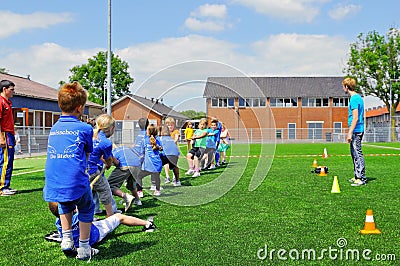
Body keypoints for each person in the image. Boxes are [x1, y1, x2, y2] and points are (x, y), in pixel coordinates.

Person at [43, 81, 96, 260]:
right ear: (80, 108)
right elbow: (88, 153)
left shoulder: (54, 128)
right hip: (77, 181)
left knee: (65, 202)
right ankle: (83, 248)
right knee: (87, 207)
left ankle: (66, 239)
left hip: (54, 182)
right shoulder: (85, 128)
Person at [48, 202, 156, 256]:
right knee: (119, 217)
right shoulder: (79, 215)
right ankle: (147, 224)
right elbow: (87, 210)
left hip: (75, 241)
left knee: (92, 222)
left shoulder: (58, 222)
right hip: (95, 235)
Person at [87, 114, 119, 217]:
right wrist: (109, 164)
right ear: (111, 128)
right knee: (105, 190)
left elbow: (95, 153)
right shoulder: (106, 142)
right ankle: (110, 215)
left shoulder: (89, 134)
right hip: (92, 171)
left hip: (80, 169)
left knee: (83, 193)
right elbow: (108, 159)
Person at [342, 77, 366, 187]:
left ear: (347, 87)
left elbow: (355, 117)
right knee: (354, 153)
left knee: (357, 153)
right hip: (356, 130)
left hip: (356, 130)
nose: (343, 88)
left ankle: (361, 178)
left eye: (343, 86)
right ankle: (357, 175)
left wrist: (349, 132)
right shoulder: (357, 97)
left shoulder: (354, 99)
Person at [107, 144, 142, 213]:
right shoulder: (126, 148)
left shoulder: (113, 152)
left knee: (109, 185)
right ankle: (137, 200)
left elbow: (115, 162)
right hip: (137, 165)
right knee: (131, 184)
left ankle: (126, 197)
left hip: (125, 166)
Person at [0, 80, 17, 196]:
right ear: (4, 89)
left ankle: (6, 185)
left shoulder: (8, 103)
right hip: (4, 134)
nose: (13, 92)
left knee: (9, 160)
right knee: (5, 161)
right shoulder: (1, 102)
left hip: (9, 134)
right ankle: (2, 187)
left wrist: (13, 135)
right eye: (11, 89)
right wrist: (1, 138)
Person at [137, 124, 163, 196]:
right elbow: (161, 150)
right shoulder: (158, 140)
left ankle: (139, 192)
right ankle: (157, 190)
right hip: (157, 163)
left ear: (147, 132)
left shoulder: (145, 140)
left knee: (139, 176)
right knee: (157, 177)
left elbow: (142, 153)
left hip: (148, 164)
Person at [163, 117, 180, 183]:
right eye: (168, 125)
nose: (170, 126)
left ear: (174, 125)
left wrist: (171, 141)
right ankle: (167, 177)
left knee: (173, 164)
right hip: (166, 151)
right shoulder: (164, 132)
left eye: (171, 125)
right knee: (166, 164)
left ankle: (174, 177)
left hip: (173, 152)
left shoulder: (176, 131)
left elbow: (176, 138)